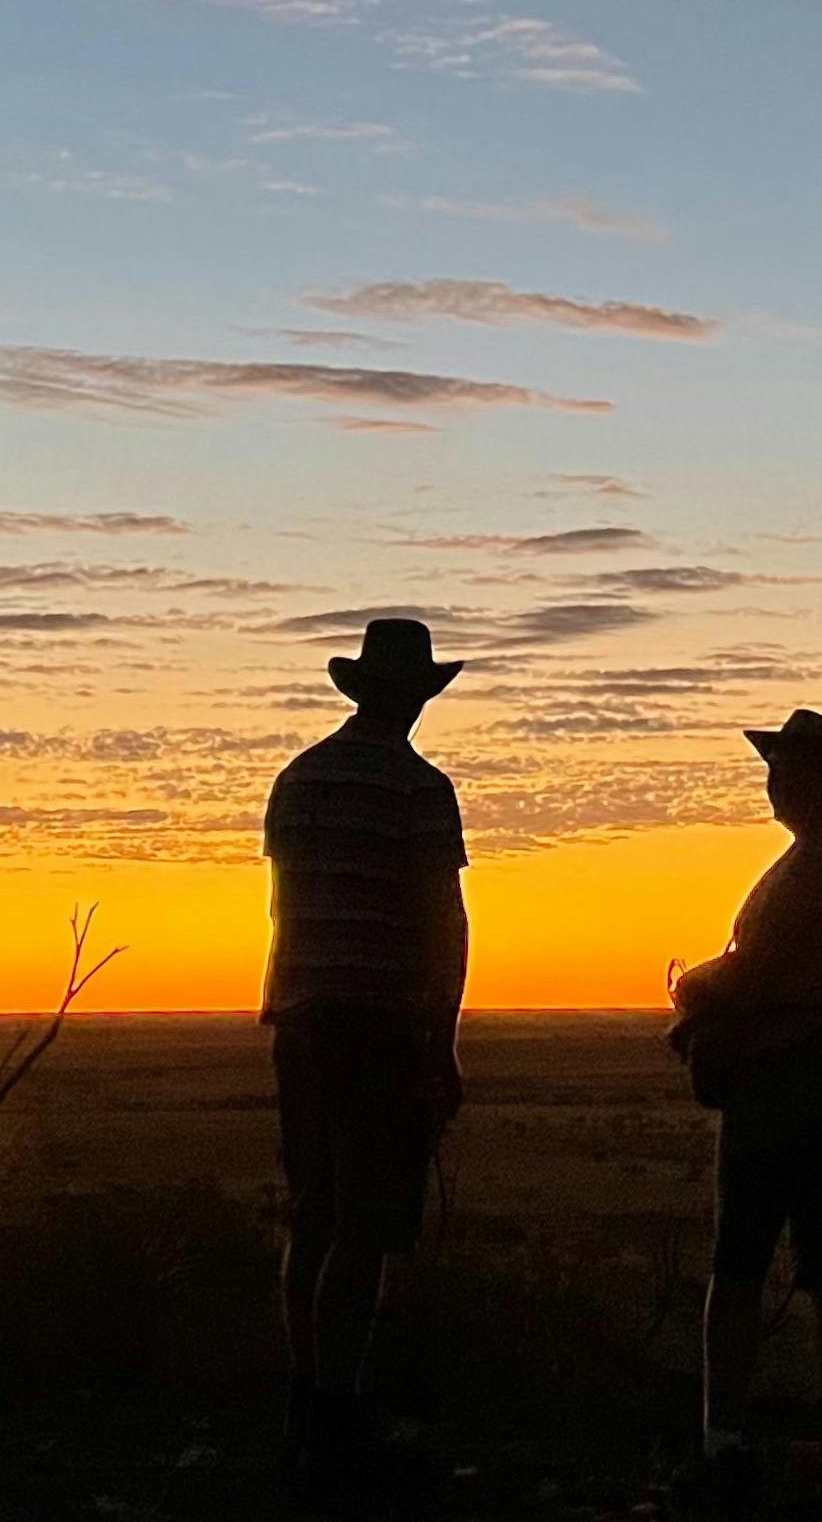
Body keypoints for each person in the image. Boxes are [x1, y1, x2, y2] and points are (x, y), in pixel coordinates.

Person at [263, 615, 470, 1477]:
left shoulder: (298, 778)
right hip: (378, 1023)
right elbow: (443, 922)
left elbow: (281, 909)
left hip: (301, 1016)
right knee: (364, 1219)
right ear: (415, 696)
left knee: (313, 1208)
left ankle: (308, 1394)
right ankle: (339, 1411)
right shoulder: (421, 788)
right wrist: (442, 1043)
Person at [668, 707, 822, 1486]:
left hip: (789, 1072)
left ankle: (723, 1443)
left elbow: (756, 968)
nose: (775, 784)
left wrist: (692, 986)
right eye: (773, 769)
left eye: (788, 771)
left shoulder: (816, 864)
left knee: (743, 1260)